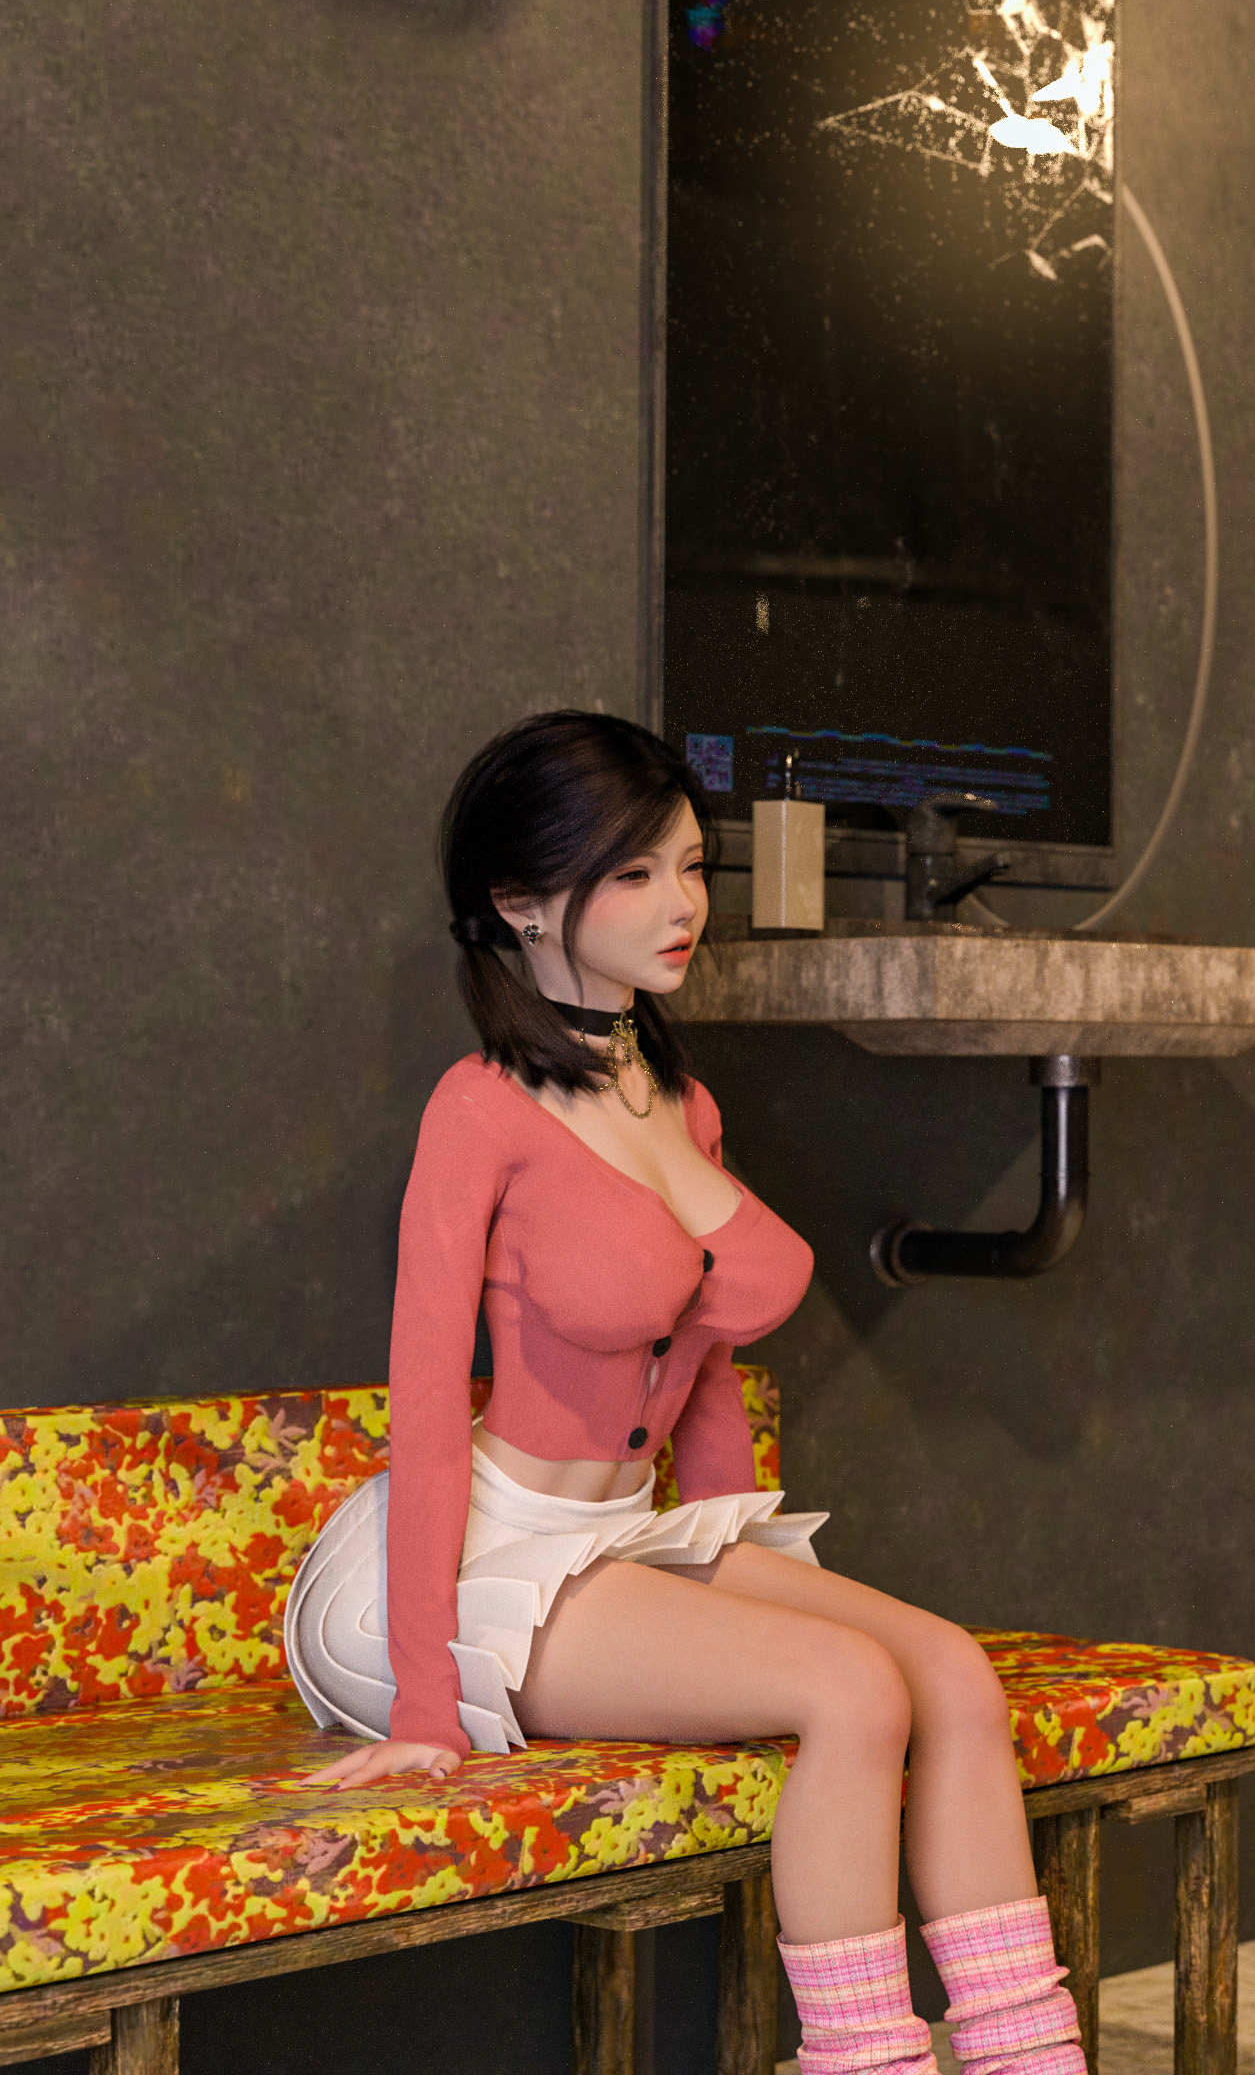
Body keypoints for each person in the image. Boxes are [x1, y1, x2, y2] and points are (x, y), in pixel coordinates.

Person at [276, 711, 1085, 2075]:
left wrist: (735, 1564)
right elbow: (422, 1404)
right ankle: (868, 2063)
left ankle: (1031, 2060)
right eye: (636, 874)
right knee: (848, 1689)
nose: (685, 906)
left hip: (629, 1536)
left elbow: (705, 1375)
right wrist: (424, 1704)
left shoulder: (680, 1099)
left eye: (696, 867)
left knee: (949, 1670)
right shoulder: (479, 1110)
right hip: (487, 1561)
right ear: (522, 903)